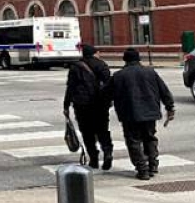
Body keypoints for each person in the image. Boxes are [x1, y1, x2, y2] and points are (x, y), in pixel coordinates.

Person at [108, 48, 175, 180]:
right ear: (139, 59)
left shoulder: (118, 76)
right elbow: (164, 91)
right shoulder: (150, 72)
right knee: (150, 138)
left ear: (124, 60)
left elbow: (106, 94)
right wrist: (170, 107)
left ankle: (142, 169)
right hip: (150, 112)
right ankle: (153, 165)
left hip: (129, 114)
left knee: (134, 141)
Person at [63, 44, 113, 170]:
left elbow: (70, 87)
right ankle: (107, 152)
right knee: (103, 130)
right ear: (95, 53)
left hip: (82, 104)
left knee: (87, 132)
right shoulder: (102, 65)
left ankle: (93, 158)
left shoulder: (76, 67)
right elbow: (109, 85)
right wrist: (110, 100)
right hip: (100, 104)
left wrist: (66, 105)